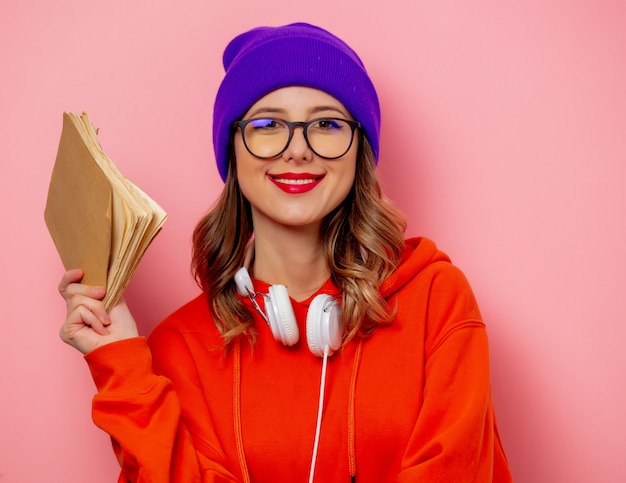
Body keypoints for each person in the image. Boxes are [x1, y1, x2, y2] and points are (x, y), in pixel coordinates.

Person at [58, 22, 513, 482]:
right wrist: (120, 364)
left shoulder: (436, 302)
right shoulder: (180, 348)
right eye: (267, 124)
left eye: (328, 124)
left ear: (360, 150)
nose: (297, 150)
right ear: (232, 149)